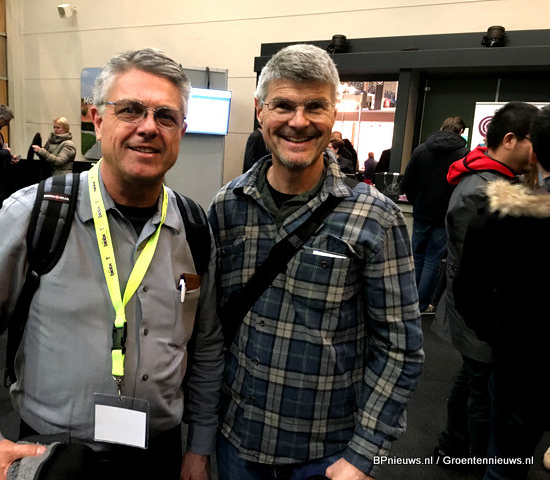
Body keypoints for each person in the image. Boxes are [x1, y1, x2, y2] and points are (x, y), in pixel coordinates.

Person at [0, 49, 224, 480]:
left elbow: (207, 345)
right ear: (97, 121)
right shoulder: (36, 213)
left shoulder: (194, 226)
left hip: (159, 453)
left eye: (165, 116)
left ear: (182, 130)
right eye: (130, 110)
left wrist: (199, 448)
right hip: (53, 454)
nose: (148, 127)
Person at [208, 43, 424, 480]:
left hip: (326, 455)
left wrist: (363, 455)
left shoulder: (375, 217)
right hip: (236, 443)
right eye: (283, 105)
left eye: (315, 106)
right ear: (260, 112)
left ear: (333, 114)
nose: (299, 121)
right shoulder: (228, 204)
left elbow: (399, 346)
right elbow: (209, 329)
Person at [431, 101, 539, 474]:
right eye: (533, 142)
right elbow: (475, 273)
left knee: (472, 379)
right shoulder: (482, 189)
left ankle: (452, 443)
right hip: (480, 314)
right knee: (481, 391)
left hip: (478, 313)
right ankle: (479, 460)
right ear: (510, 140)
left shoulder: (490, 177)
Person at [401, 116, 469, 312]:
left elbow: (407, 181)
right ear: (461, 132)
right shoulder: (464, 154)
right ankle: (422, 304)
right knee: (433, 259)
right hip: (445, 214)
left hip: (422, 211)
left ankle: (410, 299)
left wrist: (416, 201)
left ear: (442, 127)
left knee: (416, 256)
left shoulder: (421, 149)